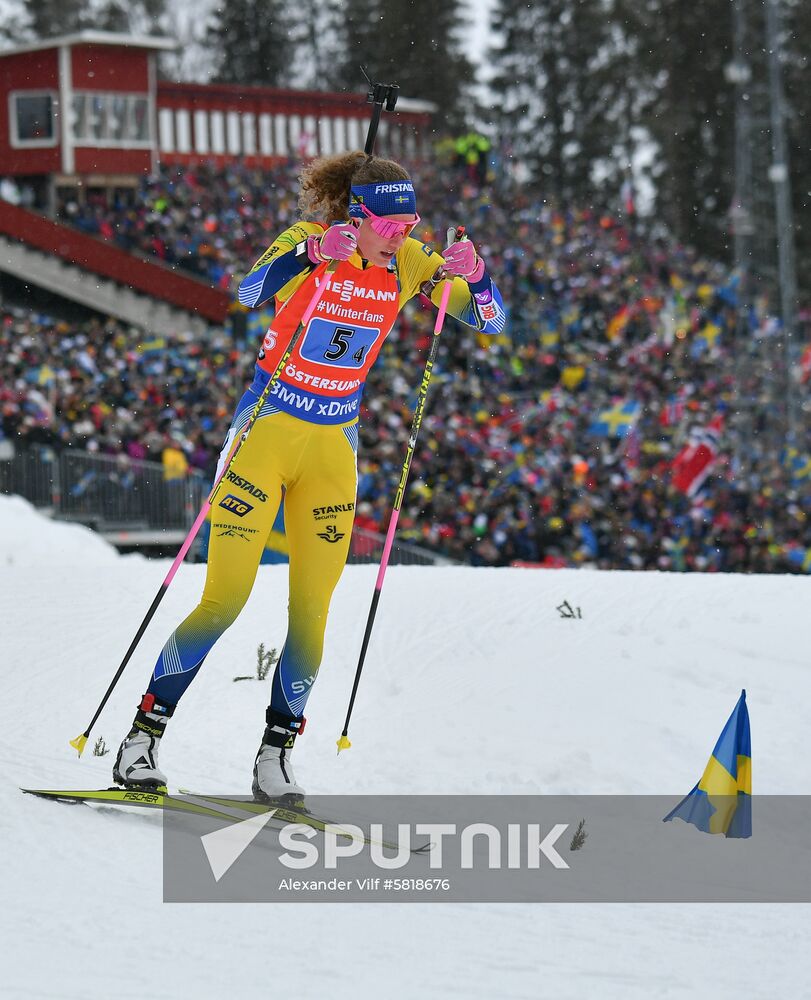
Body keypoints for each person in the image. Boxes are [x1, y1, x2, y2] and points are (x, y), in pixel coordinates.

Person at [113, 150, 506, 801]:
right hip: (264, 434)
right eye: (392, 224)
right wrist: (311, 255)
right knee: (224, 600)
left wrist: (480, 279)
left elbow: (488, 319)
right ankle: (141, 741)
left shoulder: (409, 261)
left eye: (412, 223)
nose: (405, 235)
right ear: (360, 213)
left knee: (311, 614)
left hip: (332, 450)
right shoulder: (309, 242)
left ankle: (276, 756)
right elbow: (243, 295)